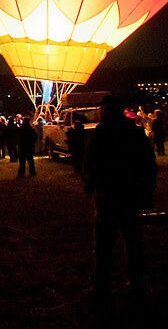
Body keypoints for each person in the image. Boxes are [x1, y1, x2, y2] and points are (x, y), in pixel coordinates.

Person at [82, 94, 157, 299]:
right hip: (130, 195)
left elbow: (89, 161)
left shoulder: (102, 133)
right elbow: (148, 165)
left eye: (102, 109)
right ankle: (136, 281)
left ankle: (101, 283)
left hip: (108, 195)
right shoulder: (134, 132)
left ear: (106, 110)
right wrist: (146, 193)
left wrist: (90, 183)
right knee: (133, 240)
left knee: (104, 242)